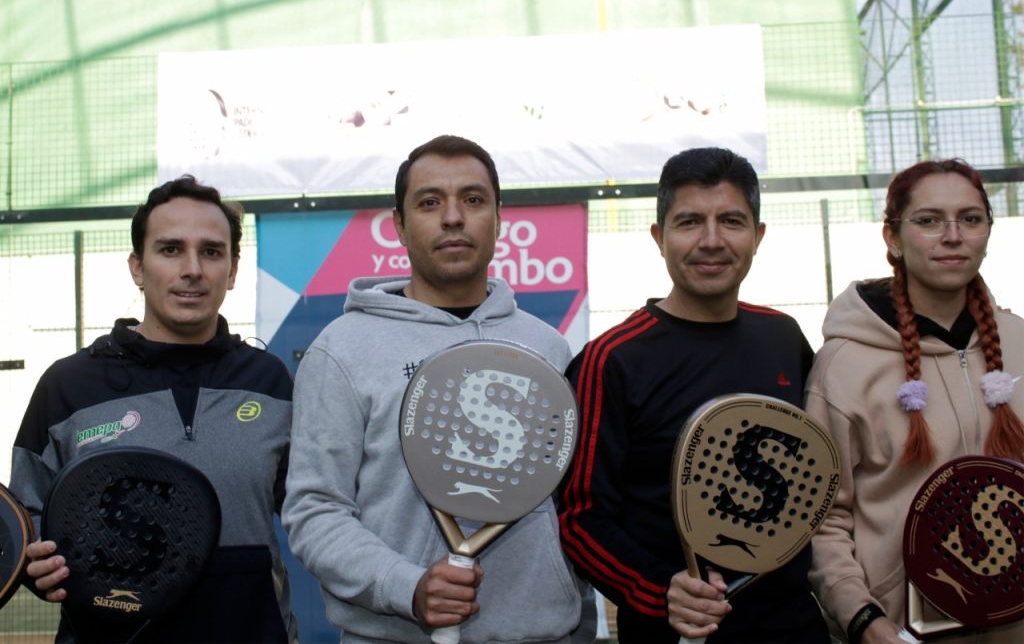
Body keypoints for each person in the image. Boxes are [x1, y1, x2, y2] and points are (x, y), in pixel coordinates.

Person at [282, 134, 589, 643]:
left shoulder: (549, 347)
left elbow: (566, 506)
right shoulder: (341, 349)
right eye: (430, 202)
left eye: (473, 200)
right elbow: (316, 510)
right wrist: (406, 587)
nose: (453, 217)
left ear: (498, 217)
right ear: (400, 226)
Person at [558, 147, 830, 643]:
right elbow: (579, 519)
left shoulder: (784, 336)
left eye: (731, 221)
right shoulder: (612, 360)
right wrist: (660, 591)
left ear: (758, 236)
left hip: (794, 626)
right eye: (689, 223)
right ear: (659, 239)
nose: (712, 241)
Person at [9, 176, 297, 642]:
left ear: (233, 269)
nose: (192, 269)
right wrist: (35, 566)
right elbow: (24, 522)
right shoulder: (68, 384)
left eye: (211, 251)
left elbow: (317, 511)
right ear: (138, 267)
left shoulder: (271, 382)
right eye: (170, 250)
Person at [805, 159, 1024, 644]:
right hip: (901, 632)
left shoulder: (1019, 342)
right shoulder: (843, 365)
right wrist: (862, 619)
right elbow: (824, 518)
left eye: (971, 219)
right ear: (892, 237)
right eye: (928, 221)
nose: (952, 235)